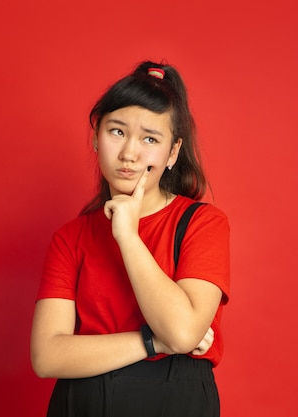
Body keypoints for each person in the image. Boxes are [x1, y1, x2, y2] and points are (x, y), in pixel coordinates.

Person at [30, 60, 230, 417]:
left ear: (172, 152)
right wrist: (152, 340)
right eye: (117, 131)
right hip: (84, 404)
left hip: (177, 402)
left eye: (150, 139)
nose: (129, 154)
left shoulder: (203, 223)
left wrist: (127, 235)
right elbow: (46, 357)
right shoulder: (70, 237)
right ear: (95, 136)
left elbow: (183, 333)